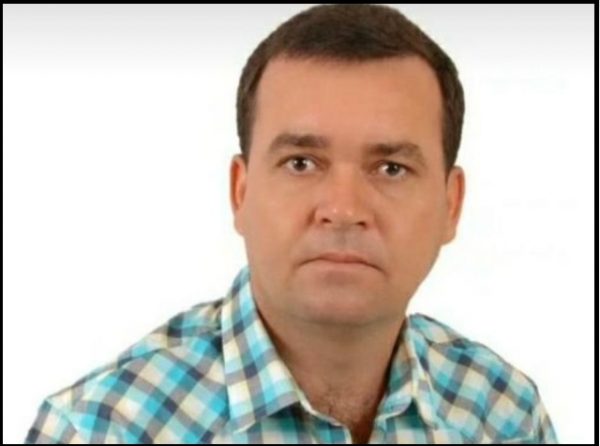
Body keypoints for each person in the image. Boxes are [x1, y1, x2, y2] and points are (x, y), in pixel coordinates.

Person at [25, 4, 558, 444]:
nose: (343, 209)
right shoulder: (104, 429)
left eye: (391, 168)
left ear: (451, 204)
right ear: (241, 191)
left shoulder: (503, 415)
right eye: (301, 163)